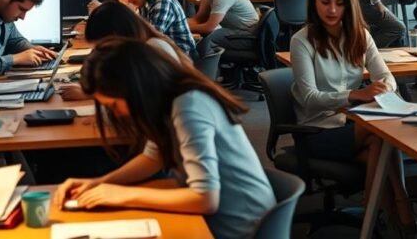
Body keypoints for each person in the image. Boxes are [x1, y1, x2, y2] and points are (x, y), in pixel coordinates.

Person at [55, 38, 275, 239]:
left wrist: (121, 194)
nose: (117, 113)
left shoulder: (188, 106)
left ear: (135, 88)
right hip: (223, 216)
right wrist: (98, 183)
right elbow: (153, 158)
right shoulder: (168, 102)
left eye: (113, 105)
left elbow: (205, 199)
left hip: (239, 226)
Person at [289, 0, 415, 231]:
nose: (332, 10)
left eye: (340, 3)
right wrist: (356, 95)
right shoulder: (301, 41)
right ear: (314, 3)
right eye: (325, 2)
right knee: (381, 135)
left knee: (377, 150)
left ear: (349, 5)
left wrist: (383, 89)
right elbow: (310, 99)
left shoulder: (360, 35)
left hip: (352, 124)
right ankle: (399, 208)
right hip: (316, 130)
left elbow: (388, 78)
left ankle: (376, 219)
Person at [59, 1, 189, 101]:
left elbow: (146, 97)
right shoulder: (136, 50)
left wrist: (91, 95)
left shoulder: (153, 49)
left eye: (103, 47)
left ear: (116, 35)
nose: (102, 54)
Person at [110, 0, 196, 59]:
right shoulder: (144, 0)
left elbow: (148, 42)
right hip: (165, 59)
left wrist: (128, 13)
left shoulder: (161, 2)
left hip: (181, 63)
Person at [184, 0, 260, 56]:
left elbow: (209, 27)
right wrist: (179, 24)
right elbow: (199, 18)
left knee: (209, 41)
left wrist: (184, 28)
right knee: (204, 39)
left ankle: (207, 69)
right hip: (235, 31)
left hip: (247, 35)